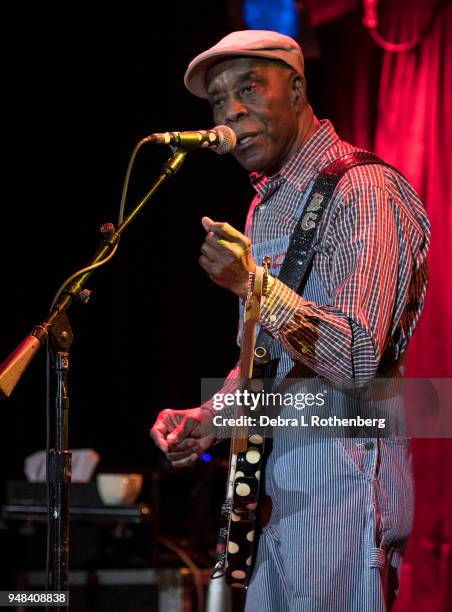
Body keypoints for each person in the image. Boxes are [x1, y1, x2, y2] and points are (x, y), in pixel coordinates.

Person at [150, 30, 430, 611]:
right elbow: (270, 363)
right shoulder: (266, 203)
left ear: (298, 87)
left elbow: (357, 358)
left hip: (342, 494)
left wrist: (253, 284)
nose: (230, 112)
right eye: (218, 101)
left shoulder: (364, 190)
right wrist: (212, 416)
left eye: (249, 88)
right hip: (276, 493)